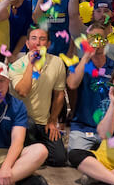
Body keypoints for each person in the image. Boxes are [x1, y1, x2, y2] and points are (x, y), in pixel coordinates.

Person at [7, 28, 69, 167]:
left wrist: (53, 120)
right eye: (34, 38)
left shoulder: (57, 62)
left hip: (44, 121)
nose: (38, 42)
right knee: (29, 124)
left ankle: (34, 151)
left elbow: (59, 94)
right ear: (27, 44)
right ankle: (26, 151)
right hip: (22, 122)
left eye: (42, 39)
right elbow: (23, 91)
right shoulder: (16, 66)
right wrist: (31, 64)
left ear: (48, 44)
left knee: (59, 159)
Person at [65, 23, 114, 153]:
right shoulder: (77, 65)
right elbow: (72, 84)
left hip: (109, 129)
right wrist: (86, 57)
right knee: (75, 156)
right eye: (92, 38)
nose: (96, 42)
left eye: (99, 38)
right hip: (82, 128)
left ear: (106, 41)